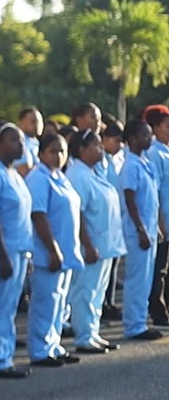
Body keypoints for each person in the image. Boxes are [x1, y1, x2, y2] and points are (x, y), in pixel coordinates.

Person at [26, 132, 84, 367]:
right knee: (45, 302)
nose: (59, 155)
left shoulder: (60, 176)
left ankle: (54, 344)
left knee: (59, 303)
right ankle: (40, 350)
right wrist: (52, 249)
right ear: (41, 154)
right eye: (53, 151)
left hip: (66, 250)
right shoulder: (38, 178)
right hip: (48, 251)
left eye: (62, 151)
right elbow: (38, 214)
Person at [0, 122, 34, 379]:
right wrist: (2, 254)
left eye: (21, 139)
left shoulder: (14, 174)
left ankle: (5, 355)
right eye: (14, 139)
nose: (20, 144)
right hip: (3, 251)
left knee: (10, 306)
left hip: (20, 249)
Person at [65, 129, 123, 354]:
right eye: (96, 145)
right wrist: (87, 244)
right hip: (91, 244)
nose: (101, 149)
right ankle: (84, 336)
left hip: (105, 244)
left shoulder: (94, 171)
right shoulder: (77, 175)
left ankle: (93, 331)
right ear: (82, 149)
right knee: (85, 292)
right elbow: (77, 213)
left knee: (98, 292)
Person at [118, 118, 162, 342]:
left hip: (150, 229)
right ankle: (133, 326)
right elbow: (129, 198)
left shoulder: (144, 162)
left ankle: (140, 322)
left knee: (145, 279)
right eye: (144, 135)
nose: (149, 138)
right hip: (138, 231)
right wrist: (141, 229)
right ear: (132, 138)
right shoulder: (130, 165)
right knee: (137, 280)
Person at [141, 106, 169, 325]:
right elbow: (156, 191)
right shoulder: (154, 153)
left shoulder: (166, 150)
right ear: (155, 127)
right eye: (167, 126)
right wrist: (160, 222)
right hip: (163, 220)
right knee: (158, 269)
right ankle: (158, 312)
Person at [17, 106, 43, 177]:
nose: (37, 125)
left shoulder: (35, 142)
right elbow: (24, 171)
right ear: (21, 122)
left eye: (40, 122)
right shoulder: (19, 142)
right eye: (33, 122)